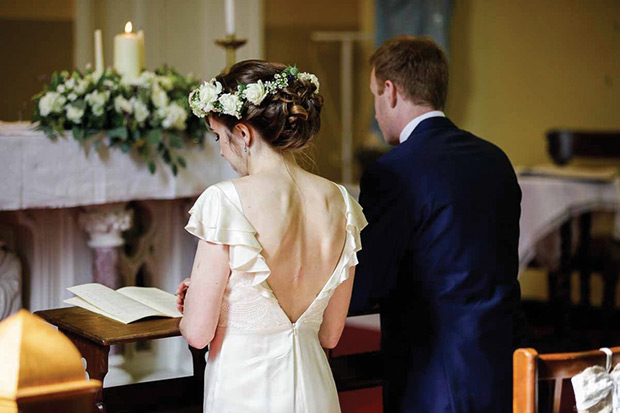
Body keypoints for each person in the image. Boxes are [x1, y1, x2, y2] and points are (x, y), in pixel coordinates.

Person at [175, 60, 367, 412]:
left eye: (220, 137)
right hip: (315, 391)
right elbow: (330, 334)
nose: (220, 149)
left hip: (244, 391)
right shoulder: (341, 202)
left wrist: (197, 300)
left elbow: (198, 333)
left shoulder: (224, 200)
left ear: (244, 134)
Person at [349, 35, 524, 412]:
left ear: (391, 91)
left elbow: (368, 284)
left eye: (374, 96)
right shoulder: (495, 159)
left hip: (432, 374)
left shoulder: (392, 172)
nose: (376, 111)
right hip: (501, 360)